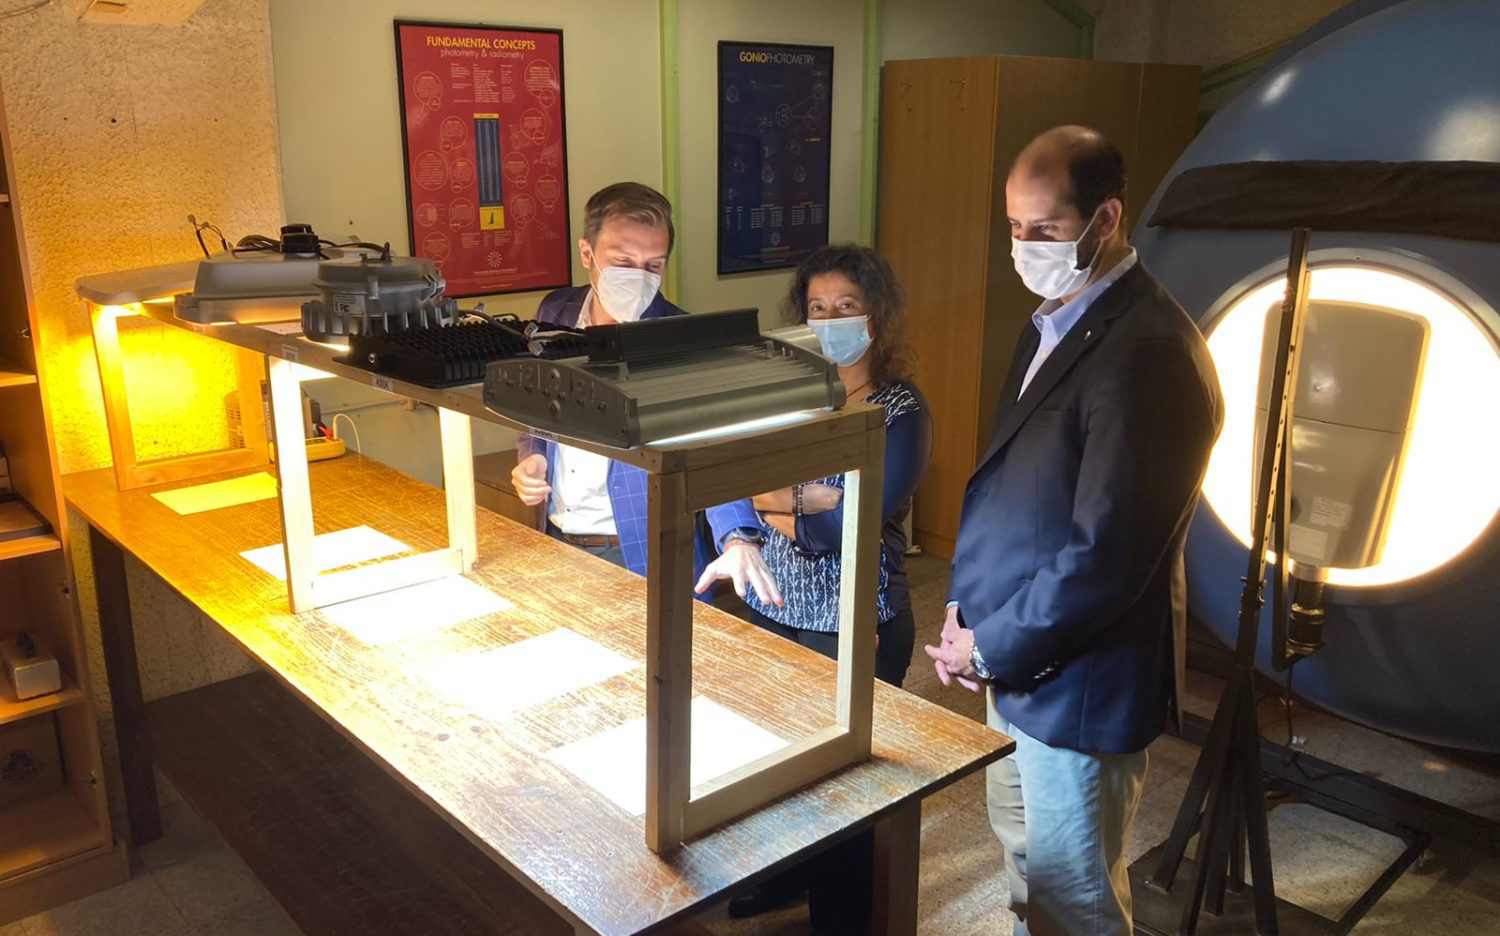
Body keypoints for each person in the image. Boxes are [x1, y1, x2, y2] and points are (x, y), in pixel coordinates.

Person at [923, 126, 1223, 935]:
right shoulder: (1054, 320)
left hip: (1080, 684)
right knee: (1029, 872)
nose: (1025, 247)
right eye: (1014, 227)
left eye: (1046, 229)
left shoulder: (1150, 352)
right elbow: (1011, 488)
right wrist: (965, 613)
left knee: (1075, 894)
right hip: (1016, 657)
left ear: (1107, 217)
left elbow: (1106, 556)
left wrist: (989, 646)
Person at [713, 244, 932, 935]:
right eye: (817, 308)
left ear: (877, 316)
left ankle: (842, 917)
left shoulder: (901, 410)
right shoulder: (789, 391)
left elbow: (845, 529)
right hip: (771, 607)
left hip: (856, 620)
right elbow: (735, 478)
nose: (831, 320)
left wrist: (782, 499)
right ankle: (784, 879)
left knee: (844, 789)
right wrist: (805, 497)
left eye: (847, 306)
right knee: (777, 766)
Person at [510, 182, 781, 604]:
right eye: (623, 262)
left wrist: (738, 538)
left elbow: (714, 445)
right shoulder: (555, 312)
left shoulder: (682, 339)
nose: (638, 278)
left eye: (653, 265)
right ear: (587, 254)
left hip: (646, 551)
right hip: (558, 538)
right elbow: (539, 404)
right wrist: (534, 454)